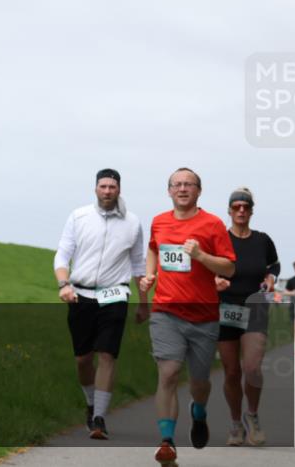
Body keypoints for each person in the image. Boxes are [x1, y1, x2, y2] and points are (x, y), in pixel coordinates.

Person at [139, 168, 235, 466]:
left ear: (199, 191)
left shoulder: (213, 224)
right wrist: (150, 274)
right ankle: (167, 442)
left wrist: (201, 257)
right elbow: (154, 249)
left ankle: (200, 411)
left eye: (188, 184)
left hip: (204, 315)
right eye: (177, 184)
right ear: (169, 190)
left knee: (199, 381)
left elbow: (229, 268)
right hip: (166, 311)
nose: (182, 189)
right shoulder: (159, 221)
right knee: (167, 374)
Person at [53, 168, 148, 440]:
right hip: (80, 294)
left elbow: (139, 263)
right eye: (103, 186)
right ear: (95, 188)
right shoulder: (79, 217)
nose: (107, 191)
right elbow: (62, 255)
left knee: (107, 354)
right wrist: (64, 285)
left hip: (115, 294)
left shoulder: (132, 222)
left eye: (112, 187)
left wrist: (143, 303)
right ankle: (91, 403)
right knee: (83, 359)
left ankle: (99, 418)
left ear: (119, 190)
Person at [214, 187, 280, 446]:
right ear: (229, 210)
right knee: (231, 372)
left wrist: (271, 277)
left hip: (255, 307)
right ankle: (235, 424)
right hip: (226, 308)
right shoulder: (219, 239)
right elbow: (208, 265)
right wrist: (215, 277)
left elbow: (273, 264)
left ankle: (252, 415)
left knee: (251, 368)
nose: (241, 210)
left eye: (246, 206)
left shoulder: (262, 239)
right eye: (236, 206)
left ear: (252, 210)